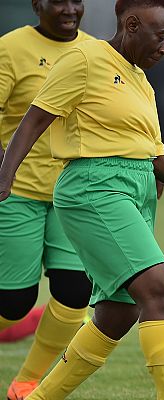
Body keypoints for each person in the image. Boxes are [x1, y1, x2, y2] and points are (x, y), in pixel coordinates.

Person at [0, 1, 164, 399]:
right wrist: (5, 176)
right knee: (161, 292)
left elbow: (153, 153)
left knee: (118, 312)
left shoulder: (141, 80)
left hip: (137, 192)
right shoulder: (85, 57)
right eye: (161, 36)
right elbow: (35, 119)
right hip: (95, 188)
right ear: (131, 24)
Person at [0, 1, 93, 398]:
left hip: (70, 195)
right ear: (37, 4)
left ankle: (27, 382)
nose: (69, 8)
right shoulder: (10, 48)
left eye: (76, 0)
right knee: (15, 303)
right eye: (57, 0)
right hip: (16, 191)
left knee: (75, 293)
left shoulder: (94, 52)